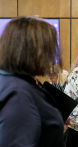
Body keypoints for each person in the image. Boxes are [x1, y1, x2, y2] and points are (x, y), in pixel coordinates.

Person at [0, 16, 72, 147]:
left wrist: (53, 128)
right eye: (49, 47)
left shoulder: (17, 80)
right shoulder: (18, 94)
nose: (52, 53)